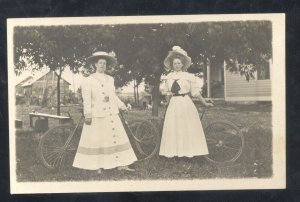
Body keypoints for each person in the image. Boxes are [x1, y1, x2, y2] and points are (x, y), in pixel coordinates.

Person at [73, 51, 137, 173]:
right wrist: (88, 114)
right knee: (98, 140)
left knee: (116, 137)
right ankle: (97, 166)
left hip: (111, 113)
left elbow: (113, 96)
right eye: (100, 63)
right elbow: (86, 99)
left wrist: (122, 106)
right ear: (95, 65)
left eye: (105, 63)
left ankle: (121, 164)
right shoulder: (88, 80)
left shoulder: (110, 79)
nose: (103, 65)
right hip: (97, 114)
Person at [159, 46, 213, 158]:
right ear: (172, 65)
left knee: (187, 127)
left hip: (185, 104)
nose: (177, 65)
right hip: (174, 104)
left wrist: (204, 103)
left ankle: (189, 152)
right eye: (175, 63)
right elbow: (168, 93)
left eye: (179, 63)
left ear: (182, 64)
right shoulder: (168, 77)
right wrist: (166, 103)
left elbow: (196, 92)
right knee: (174, 128)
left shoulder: (188, 76)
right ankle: (174, 153)